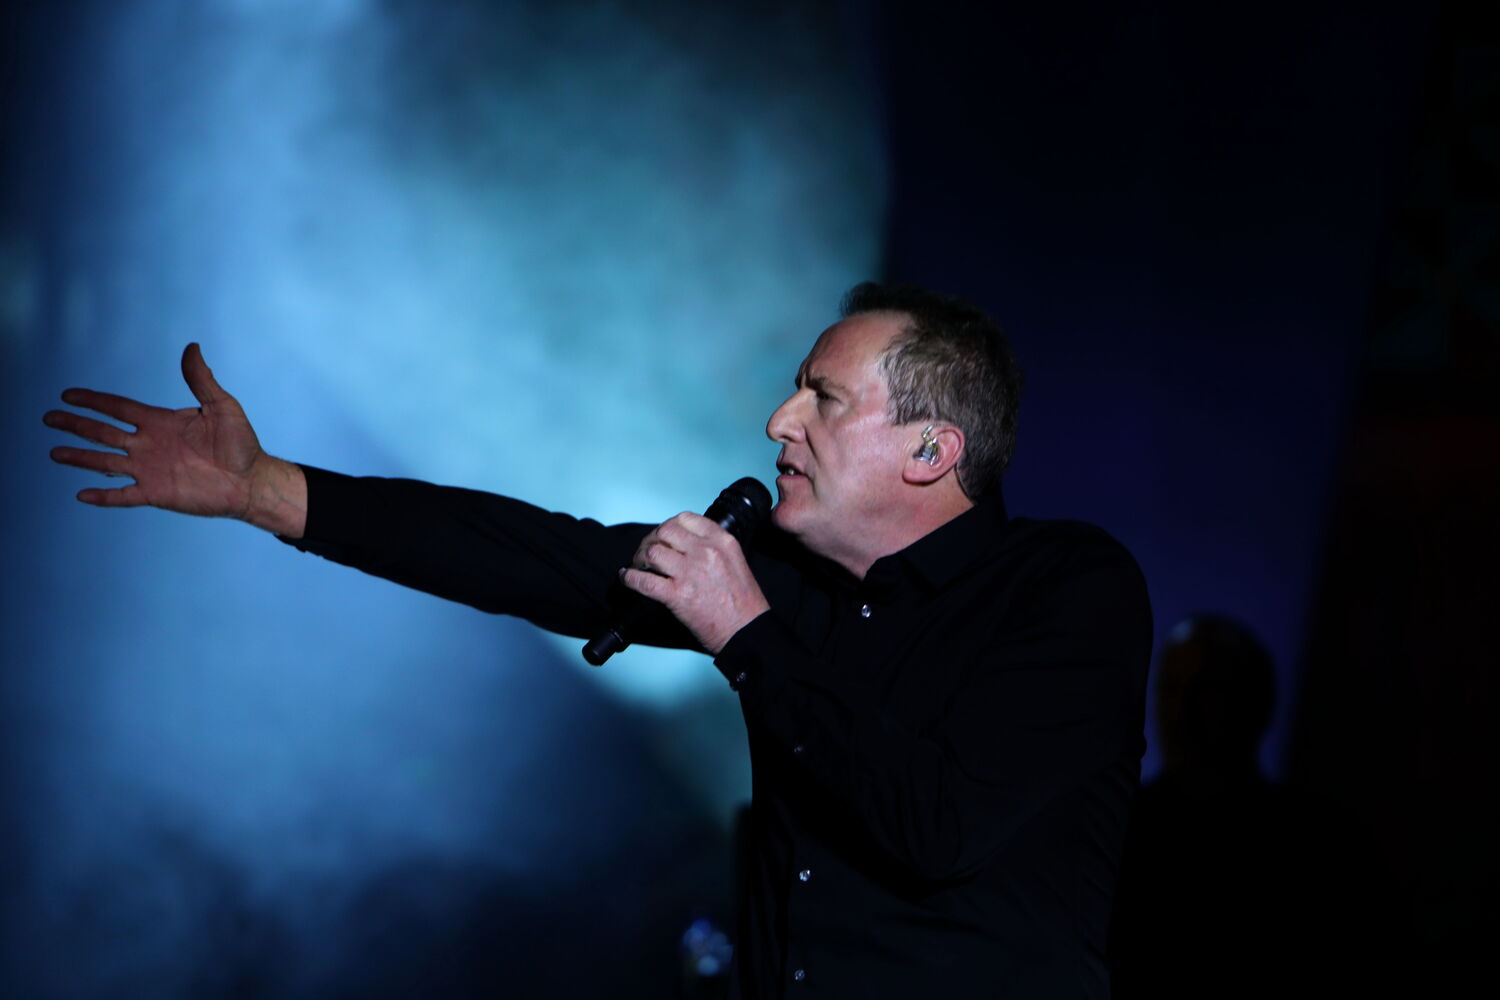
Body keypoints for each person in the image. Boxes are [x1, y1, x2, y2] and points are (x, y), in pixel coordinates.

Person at [45, 283, 1152, 998]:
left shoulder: (1065, 588)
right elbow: (532, 554)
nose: (779, 422)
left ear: (930, 450)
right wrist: (266, 489)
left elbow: (938, 825)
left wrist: (747, 634)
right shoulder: (794, 587)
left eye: (823, 397)